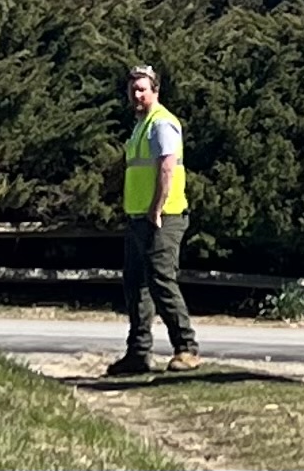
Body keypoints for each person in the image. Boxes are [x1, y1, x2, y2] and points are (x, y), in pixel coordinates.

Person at [108, 64, 200, 375]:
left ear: (155, 91)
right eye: (133, 89)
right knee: (136, 286)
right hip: (139, 217)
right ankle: (139, 353)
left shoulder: (162, 123)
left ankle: (186, 348)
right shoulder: (140, 126)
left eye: (142, 89)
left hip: (163, 216)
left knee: (161, 280)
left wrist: (156, 209)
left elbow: (167, 168)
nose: (136, 94)